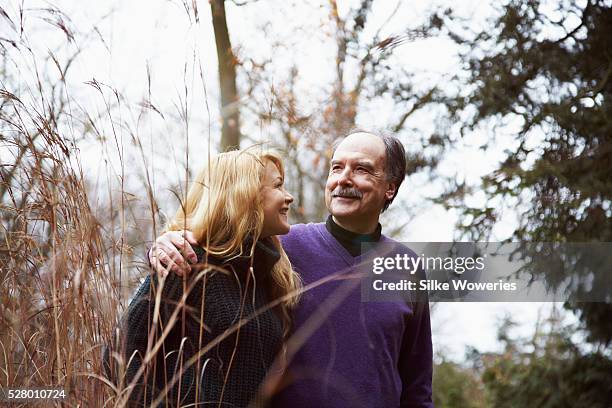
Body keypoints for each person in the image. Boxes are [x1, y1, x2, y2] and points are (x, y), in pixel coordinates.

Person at [151, 131, 434, 407]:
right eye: (336, 168)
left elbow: (417, 388)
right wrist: (166, 243)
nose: (343, 179)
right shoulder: (278, 247)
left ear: (390, 187)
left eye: (362, 169)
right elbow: (211, 248)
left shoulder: (406, 267)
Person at [106, 149, 301, 407]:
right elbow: (119, 354)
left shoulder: (268, 271)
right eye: (278, 186)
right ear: (245, 194)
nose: (288, 197)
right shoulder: (188, 262)